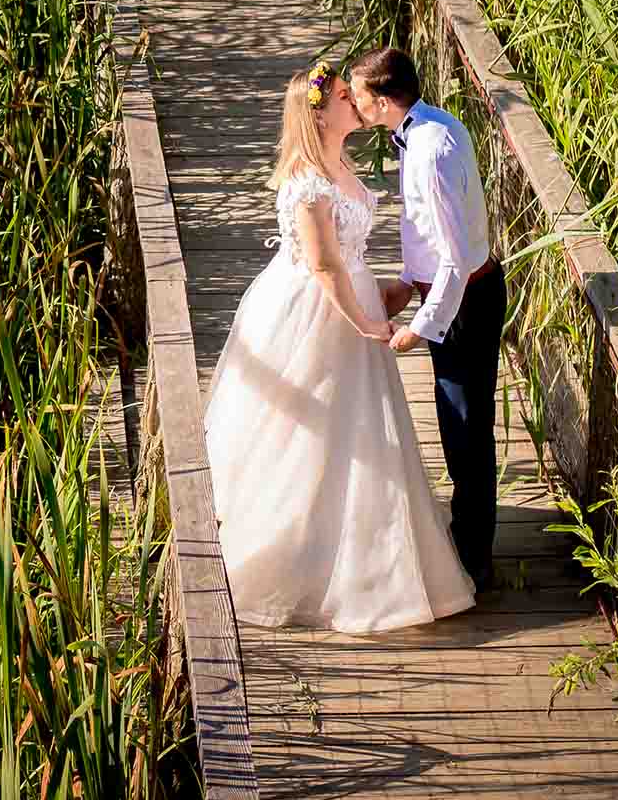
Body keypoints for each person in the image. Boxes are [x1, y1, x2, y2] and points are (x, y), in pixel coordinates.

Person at [202, 62, 476, 634]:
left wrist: (390, 291)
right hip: (320, 310)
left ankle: (366, 546)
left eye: (354, 93)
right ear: (319, 113)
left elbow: (348, 254)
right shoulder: (306, 180)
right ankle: (299, 549)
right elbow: (324, 264)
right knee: (312, 426)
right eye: (343, 96)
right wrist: (363, 321)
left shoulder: (342, 162)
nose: (354, 101)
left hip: (360, 298)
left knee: (358, 428)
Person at [348, 46, 504, 593]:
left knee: (466, 429)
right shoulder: (428, 127)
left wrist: (423, 324)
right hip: (450, 291)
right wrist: (406, 286)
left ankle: (475, 558)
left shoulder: (431, 149)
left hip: (465, 300)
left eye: (360, 96)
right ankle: (468, 539)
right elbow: (432, 239)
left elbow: (457, 257)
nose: (356, 105)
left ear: (384, 99)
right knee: (457, 423)